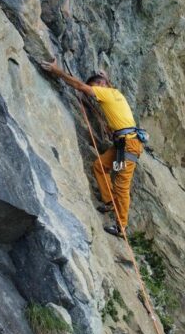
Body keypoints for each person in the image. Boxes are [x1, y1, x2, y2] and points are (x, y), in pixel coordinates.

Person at [40, 58, 144, 237]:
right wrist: (107, 79)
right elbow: (100, 87)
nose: (92, 95)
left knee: (121, 185)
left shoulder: (106, 93)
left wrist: (57, 71)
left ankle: (122, 227)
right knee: (100, 166)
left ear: (99, 85)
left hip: (128, 146)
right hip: (122, 146)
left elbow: (81, 86)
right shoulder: (115, 92)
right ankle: (110, 201)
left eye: (94, 90)